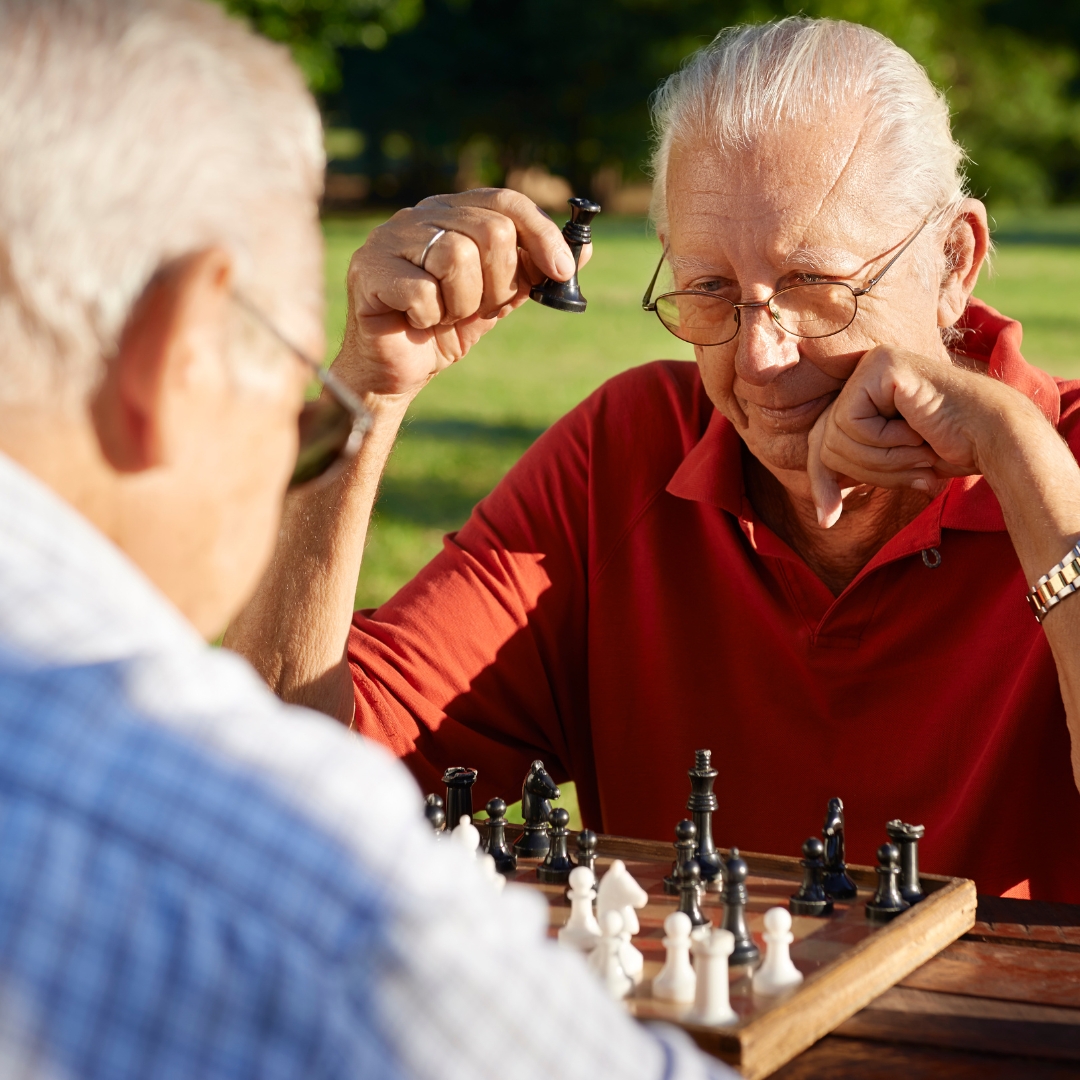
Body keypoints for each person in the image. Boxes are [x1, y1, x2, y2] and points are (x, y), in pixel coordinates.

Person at [0, 2, 733, 1076]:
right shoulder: (279, 882)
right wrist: (372, 398)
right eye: (298, 360)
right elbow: (305, 740)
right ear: (188, 349)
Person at [229, 16, 1080, 904]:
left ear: (954, 260)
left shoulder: (1068, 459)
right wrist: (364, 391)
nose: (758, 358)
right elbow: (268, 784)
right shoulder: (625, 454)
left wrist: (1019, 459)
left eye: (813, 287)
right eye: (711, 290)